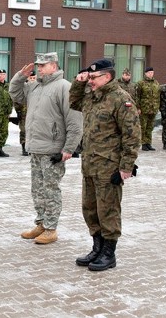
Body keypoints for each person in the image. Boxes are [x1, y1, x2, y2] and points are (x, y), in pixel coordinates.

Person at [69, 59, 140, 271]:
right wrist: (79, 83)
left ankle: (109, 253)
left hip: (109, 167)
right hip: (90, 164)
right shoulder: (92, 97)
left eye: (93, 77)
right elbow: (74, 102)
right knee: (90, 208)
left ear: (106, 77)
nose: (90, 80)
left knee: (108, 210)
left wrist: (126, 166)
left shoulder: (121, 99)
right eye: (89, 77)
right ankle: (97, 247)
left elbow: (132, 135)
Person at [9, 52, 83, 245]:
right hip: (35, 147)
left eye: (43, 65)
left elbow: (75, 122)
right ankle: (41, 223)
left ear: (54, 66)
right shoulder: (34, 86)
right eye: (38, 65)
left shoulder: (64, 87)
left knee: (50, 190)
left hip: (53, 151)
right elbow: (15, 94)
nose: (39, 68)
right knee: (37, 190)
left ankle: (51, 228)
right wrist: (21, 76)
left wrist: (69, 148)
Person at [135, 67, 160, 151]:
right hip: (144, 109)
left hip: (153, 109)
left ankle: (148, 143)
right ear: (145, 73)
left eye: (152, 72)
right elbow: (137, 96)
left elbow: (158, 96)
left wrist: (157, 106)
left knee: (150, 127)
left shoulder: (156, 83)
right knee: (143, 127)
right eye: (149, 72)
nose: (150, 74)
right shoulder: (140, 83)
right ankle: (143, 143)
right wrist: (138, 107)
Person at [13, 71, 36, 156]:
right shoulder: (24, 87)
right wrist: (18, 110)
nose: (32, 80)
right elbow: (16, 99)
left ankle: (31, 148)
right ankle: (24, 147)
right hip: (23, 113)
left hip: (34, 114)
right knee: (23, 131)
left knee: (33, 131)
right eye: (31, 78)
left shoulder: (38, 87)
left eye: (34, 78)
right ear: (28, 78)